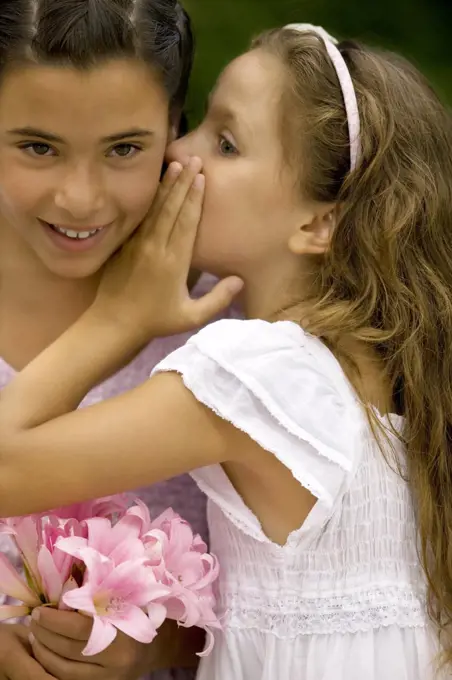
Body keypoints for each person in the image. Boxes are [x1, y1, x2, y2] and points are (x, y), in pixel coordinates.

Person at [1, 20, 452, 680]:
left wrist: (118, 320)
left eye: (226, 142)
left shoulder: (255, 371)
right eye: (198, 126)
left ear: (319, 223)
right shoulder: (354, 367)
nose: (181, 154)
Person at [0, 0, 238, 678]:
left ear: (176, 132)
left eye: (125, 149)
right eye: (38, 147)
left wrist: (156, 644)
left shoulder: (229, 320)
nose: (80, 198)